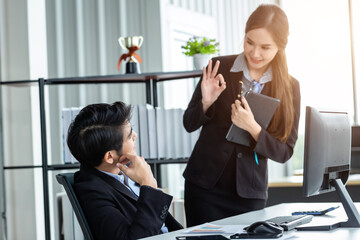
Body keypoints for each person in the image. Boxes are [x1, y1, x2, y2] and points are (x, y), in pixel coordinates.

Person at [183, 4, 301, 227]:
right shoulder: (218, 67)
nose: (255, 53)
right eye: (249, 42)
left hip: (249, 195)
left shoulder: (290, 87)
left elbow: (285, 151)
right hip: (204, 189)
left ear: (280, 47)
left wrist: (253, 128)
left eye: (265, 47)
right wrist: (206, 102)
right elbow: (189, 123)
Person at [67, 101, 182, 240]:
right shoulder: (92, 192)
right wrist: (148, 185)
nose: (136, 136)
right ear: (110, 156)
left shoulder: (124, 172)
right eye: (129, 136)